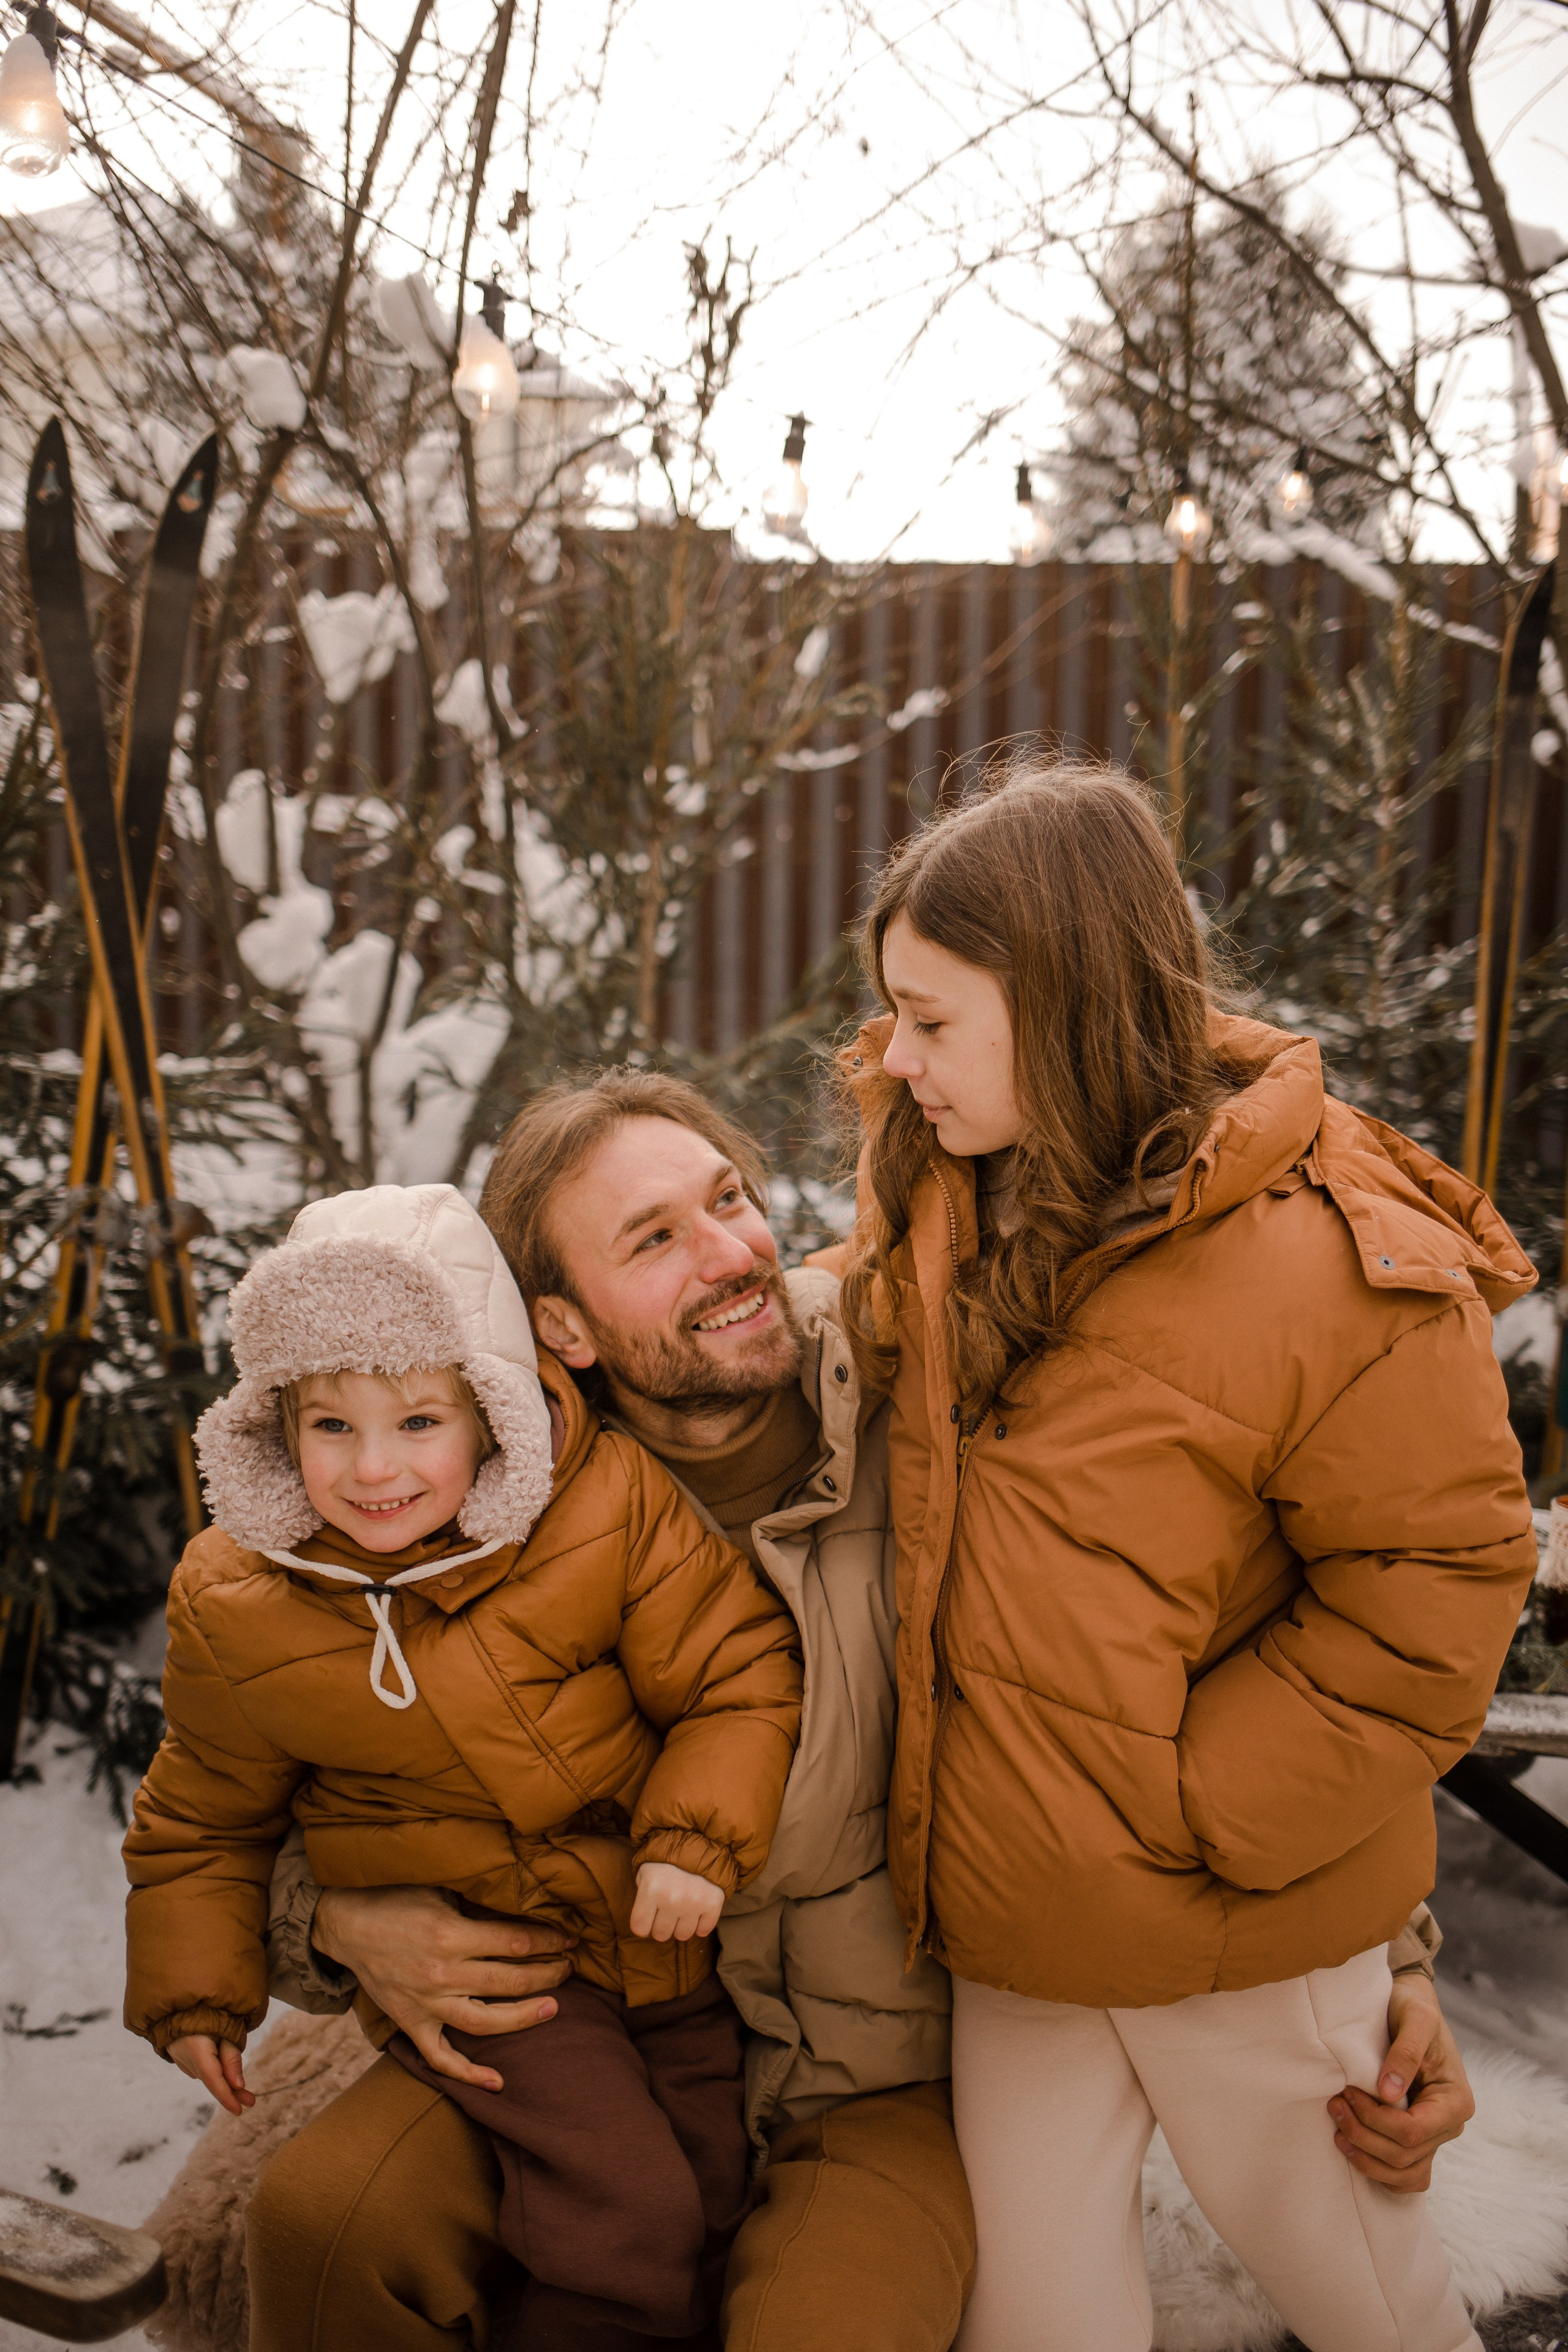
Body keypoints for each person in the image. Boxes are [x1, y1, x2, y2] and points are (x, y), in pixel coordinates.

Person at [249, 1073, 1479, 2352]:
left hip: (876, 2082)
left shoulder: (937, 1400)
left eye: (728, 1199)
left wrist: (1391, 1966)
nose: (729, 1255)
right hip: (588, 2040)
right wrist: (331, 1920)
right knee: (322, 2224)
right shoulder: (481, 1497)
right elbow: (278, 1734)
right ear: (561, 1327)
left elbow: (1202, 1647)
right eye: (653, 1239)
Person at [835, 757, 1537, 2352]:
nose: (896, 1057)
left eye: (935, 1021)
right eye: (893, 1014)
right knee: (1038, 2323)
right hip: (1017, 1934)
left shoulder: (1328, 1265)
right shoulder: (951, 1207)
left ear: (1068, 1003)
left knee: (1375, 2312)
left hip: (1245, 1940)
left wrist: (1203, 1805)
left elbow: (1436, 1585)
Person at [123, 1180, 802, 2352]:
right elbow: (202, 1820)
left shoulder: (603, 1507)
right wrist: (198, 1991)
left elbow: (736, 1671)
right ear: (276, 1424)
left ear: (492, 1412)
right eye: (331, 1426)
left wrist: (695, 1837)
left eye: (419, 1424)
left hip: (662, 1943)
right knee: (624, 2204)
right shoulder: (242, 1601)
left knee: (709, 2189)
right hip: (500, 1973)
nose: (374, 1469)